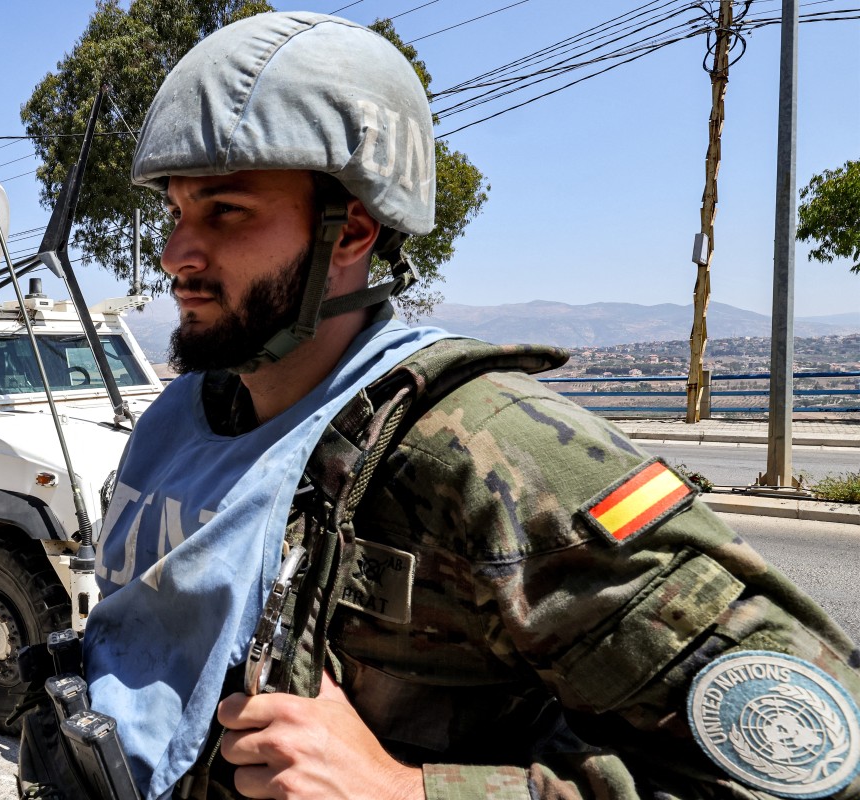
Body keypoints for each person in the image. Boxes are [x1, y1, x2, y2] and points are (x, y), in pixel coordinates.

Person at [82, 11, 860, 800]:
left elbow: (817, 780)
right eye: (177, 211)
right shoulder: (184, 417)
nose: (177, 254)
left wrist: (407, 791)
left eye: (226, 211)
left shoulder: (486, 454)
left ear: (349, 231)